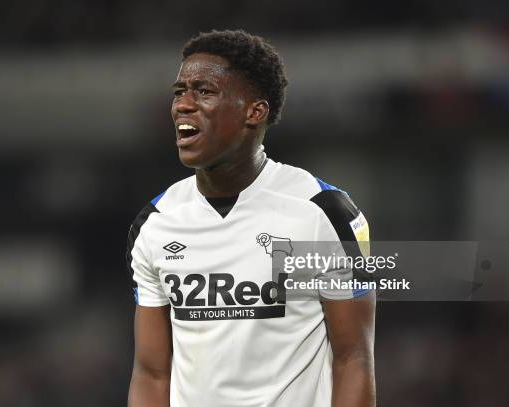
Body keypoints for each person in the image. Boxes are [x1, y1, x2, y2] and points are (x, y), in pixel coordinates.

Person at [127, 29, 376, 407]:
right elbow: (152, 371)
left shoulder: (323, 212)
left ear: (254, 111)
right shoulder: (156, 223)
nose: (183, 105)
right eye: (179, 92)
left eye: (204, 91)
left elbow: (353, 357)